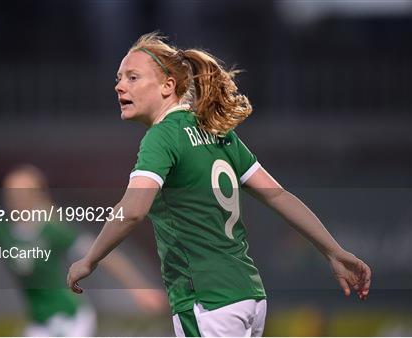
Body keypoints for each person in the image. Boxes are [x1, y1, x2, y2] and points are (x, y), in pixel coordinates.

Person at [67, 32, 372, 337]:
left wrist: (90, 259)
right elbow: (279, 195)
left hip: (207, 301)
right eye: (119, 77)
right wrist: (332, 250)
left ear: (168, 86)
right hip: (248, 296)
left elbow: (133, 210)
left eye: (133, 77)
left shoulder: (162, 137)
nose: (120, 85)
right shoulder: (218, 132)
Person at [0, 164, 167, 337]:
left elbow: (106, 255)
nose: (13, 198)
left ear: (35, 194)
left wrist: (139, 288)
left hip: (70, 319)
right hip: (39, 323)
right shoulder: (0, 231)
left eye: (19, 192)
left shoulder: (54, 231)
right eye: (9, 192)